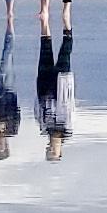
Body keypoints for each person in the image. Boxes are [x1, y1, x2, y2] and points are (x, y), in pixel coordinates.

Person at [35, 32, 74, 161]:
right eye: (53, 152)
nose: (50, 148)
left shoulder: (44, 127)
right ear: (60, 151)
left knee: (45, 48)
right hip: (61, 85)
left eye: (49, 151)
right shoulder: (67, 128)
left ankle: (45, 20)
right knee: (65, 49)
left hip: (45, 85)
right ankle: (67, 26)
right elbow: (69, 105)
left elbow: (38, 106)